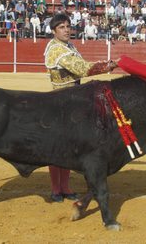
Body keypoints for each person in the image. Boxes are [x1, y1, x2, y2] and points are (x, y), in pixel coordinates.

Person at [44, 13, 118, 202]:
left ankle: (65, 187)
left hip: (73, 100)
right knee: (58, 148)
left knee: (69, 147)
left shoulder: (69, 46)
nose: (67, 29)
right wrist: (106, 66)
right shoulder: (56, 50)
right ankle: (56, 188)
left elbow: (82, 66)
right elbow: (82, 69)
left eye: (68, 26)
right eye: (61, 27)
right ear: (53, 31)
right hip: (60, 102)